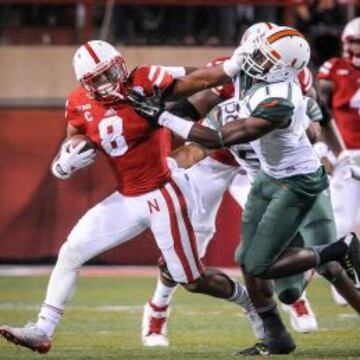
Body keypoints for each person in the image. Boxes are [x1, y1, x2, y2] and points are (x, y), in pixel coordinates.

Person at [0, 39, 255, 354]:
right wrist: (62, 165)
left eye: (111, 73)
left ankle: (250, 302)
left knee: (191, 279)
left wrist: (231, 67)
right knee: (71, 251)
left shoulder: (144, 81)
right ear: (85, 84)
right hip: (126, 198)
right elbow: (75, 140)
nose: (108, 83)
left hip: (164, 193)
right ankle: (43, 329)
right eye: (99, 79)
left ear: (121, 64)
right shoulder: (78, 102)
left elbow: (197, 79)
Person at [129, 26, 360, 355]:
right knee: (246, 262)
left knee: (298, 269)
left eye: (264, 56)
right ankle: (275, 334)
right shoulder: (237, 69)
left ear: (285, 68)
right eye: (254, 51)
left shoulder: (282, 94)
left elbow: (304, 120)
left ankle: (332, 257)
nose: (253, 59)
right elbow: (198, 91)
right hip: (260, 173)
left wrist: (163, 116)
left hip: (292, 178)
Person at [317, 17, 360, 305]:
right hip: (347, 154)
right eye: (353, 40)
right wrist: (322, 148)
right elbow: (318, 110)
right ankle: (343, 283)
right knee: (342, 220)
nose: (356, 47)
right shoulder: (333, 69)